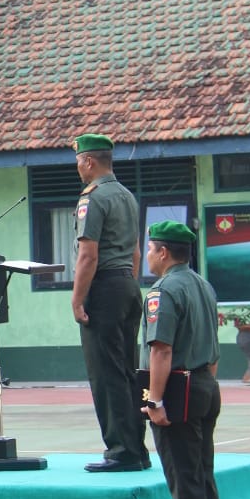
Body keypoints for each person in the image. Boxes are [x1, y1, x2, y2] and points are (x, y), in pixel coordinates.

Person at [139, 221, 225, 499]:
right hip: (206, 383)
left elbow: (161, 349)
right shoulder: (203, 286)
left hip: (179, 390)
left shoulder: (164, 291)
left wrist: (155, 400)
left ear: (162, 252)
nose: (147, 255)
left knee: (183, 477)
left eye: (150, 248)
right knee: (202, 475)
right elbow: (214, 343)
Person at [71, 133, 149, 472]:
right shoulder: (126, 196)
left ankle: (121, 451)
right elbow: (133, 252)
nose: (77, 167)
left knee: (106, 373)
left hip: (103, 288)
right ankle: (137, 448)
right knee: (127, 370)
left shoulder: (94, 198)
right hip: (128, 286)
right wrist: (128, 284)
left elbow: (88, 255)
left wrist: (77, 300)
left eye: (78, 160)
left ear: (89, 161)